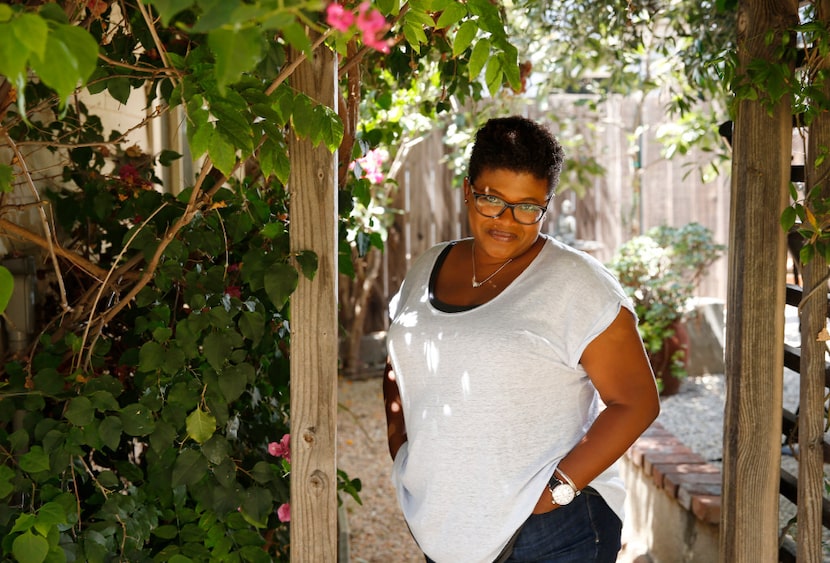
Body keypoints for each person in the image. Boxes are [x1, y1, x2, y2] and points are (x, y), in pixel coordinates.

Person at [383, 115, 660, 563]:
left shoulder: (577, 284)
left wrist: (558, 491)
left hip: (550, 532)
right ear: (469, 189)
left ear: (547, 203)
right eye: (492, 199)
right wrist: (403, 451)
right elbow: (398, 364)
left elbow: (636, 401)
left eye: (528, 206)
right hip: (444, 525)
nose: (507, 221)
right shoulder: (426, 267)